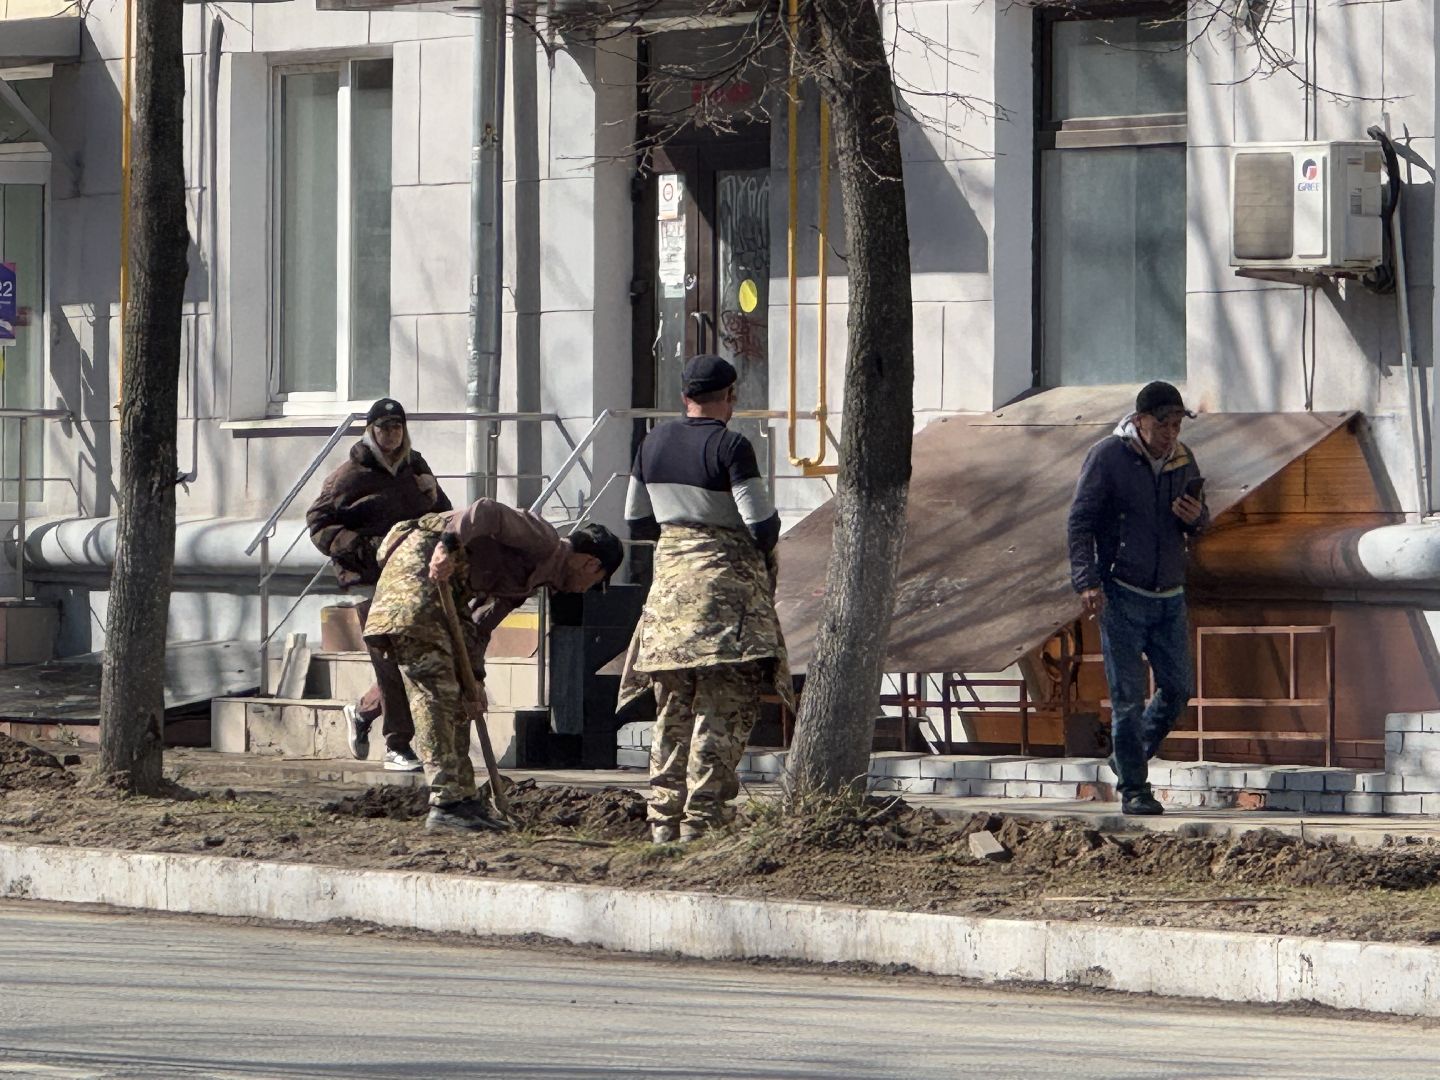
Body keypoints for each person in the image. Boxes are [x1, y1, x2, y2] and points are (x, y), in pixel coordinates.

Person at [363, 500, 623, 832]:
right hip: (421, 571)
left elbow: (478, 626)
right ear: (591, 564)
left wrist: (476, 680)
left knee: (461, 700)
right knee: (436, 692)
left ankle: (463, 800)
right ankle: (445, 803)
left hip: (449, 594)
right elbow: (485, 512)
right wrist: (447, 546)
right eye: (596, 582)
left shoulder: (527, 583)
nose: (586, 591)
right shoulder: (543, 539)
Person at [618, 354, 793, 844]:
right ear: (731, 396)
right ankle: (703, 821)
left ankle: (662, 821)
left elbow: (636, 522)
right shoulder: (732, 445)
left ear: (684, 397)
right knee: (722, 709)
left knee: (672, 710)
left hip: (669, 604)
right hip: (726, 608)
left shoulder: (651, 442)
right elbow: (760, 524)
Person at [1067, 381, 1209, 817]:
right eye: (1164, 424)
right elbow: (1080, 521)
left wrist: (1197, 519)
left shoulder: (1183, 461)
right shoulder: (1108, 456)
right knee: (1126, 696)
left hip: (1169, 593)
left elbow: (1201, 520)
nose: (1171, 433)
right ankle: (1134, 789)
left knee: (1179, 687)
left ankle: (1126, 757)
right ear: (1140, 420)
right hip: (1121, 592)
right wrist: (1086, 581)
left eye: (1178, 424)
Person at [307, 398, 451, 772]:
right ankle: (398, 744)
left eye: (396, 427)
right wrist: (358, 548)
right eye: (383, 427)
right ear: (370, 431)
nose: (390, 435)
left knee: (410, 659)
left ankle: (363, 710)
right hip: (368, 580)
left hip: (411, 579)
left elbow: (444, 516)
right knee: (387, 656)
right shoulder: (350, 475)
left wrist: (433, 497)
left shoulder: (415, 466)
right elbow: (319, 523)